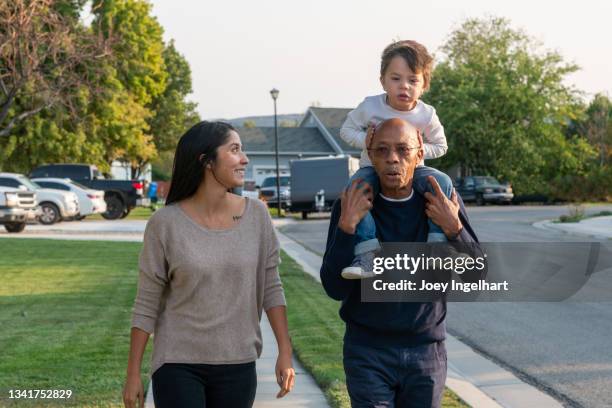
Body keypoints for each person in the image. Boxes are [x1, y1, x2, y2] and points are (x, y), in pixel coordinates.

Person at [122, 121, 295, 408]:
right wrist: (133, 375)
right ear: (206, 161)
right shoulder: (165, 224)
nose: (245, 159)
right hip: (177, 363)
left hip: (238, 363)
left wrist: (284, 352)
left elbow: (271, 288)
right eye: (235, 150)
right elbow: (146, 302)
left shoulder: (257, 216)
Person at [320, 118, 482, 408]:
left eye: (403, 150)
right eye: (381, 150)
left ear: (419, 153)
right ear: (370, 156)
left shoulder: (443, 202)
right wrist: (346, 227)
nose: (392, 158)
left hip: (426, 354)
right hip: (367, 352)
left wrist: (454, 228)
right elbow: (334, 287)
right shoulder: (352, 203)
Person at [340, 40, 455, 279]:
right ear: (382, 80)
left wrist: (419, 151)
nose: (404, 86)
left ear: (424, 85)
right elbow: (346, 131)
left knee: (442, 180)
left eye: (413, 80)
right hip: (372, 168)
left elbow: (441, 145)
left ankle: (437, 246)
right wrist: (366, 141)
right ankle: (366, 254)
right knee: (355, 188)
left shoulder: (426, 114)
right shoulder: (370, 106)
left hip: (416, 170)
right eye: (396, 78)